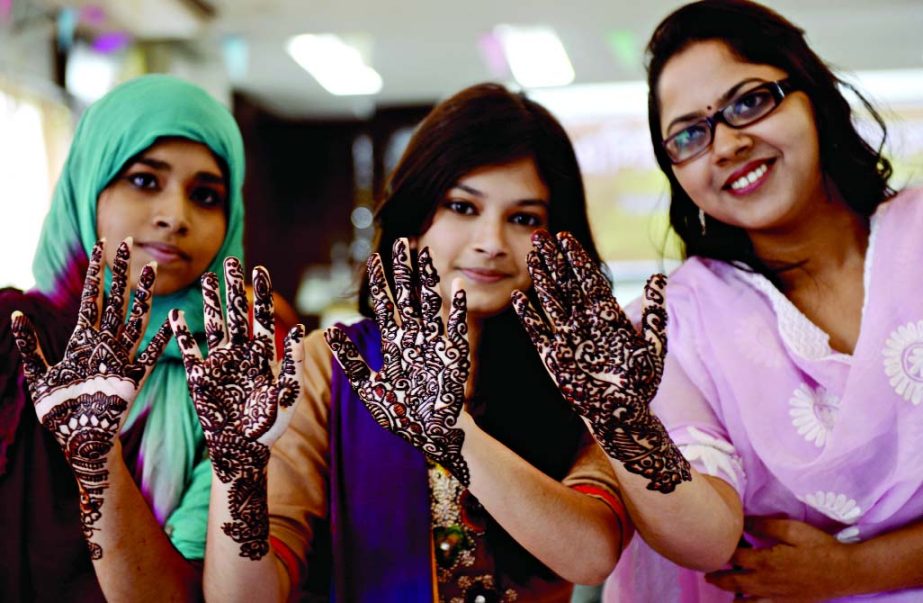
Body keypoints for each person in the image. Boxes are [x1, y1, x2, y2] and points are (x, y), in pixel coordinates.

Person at [513, 1, 923, 601]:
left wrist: (857, 571)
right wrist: (614, 414)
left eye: (750, 101)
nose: (726, 144)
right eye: (689, 134)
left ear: (812, 95)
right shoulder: (679, 323)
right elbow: (705, 539)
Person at [175, 83, 632, 602]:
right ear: (413, 221)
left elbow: (590, 554)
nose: (490, 242)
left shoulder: (582, 375)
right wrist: (237, 473)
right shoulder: (329, 365)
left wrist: (452, 430)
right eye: (462, 207)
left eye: (524, 219)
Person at [0, 74, 246, 601]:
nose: (175, 217)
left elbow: (184, 594)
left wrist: (99, 454)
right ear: (90, 185)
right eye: (143, 180)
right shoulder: (13, 339)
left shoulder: (230, 376)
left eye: (205, 195)